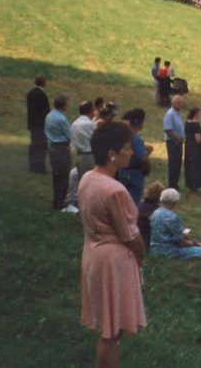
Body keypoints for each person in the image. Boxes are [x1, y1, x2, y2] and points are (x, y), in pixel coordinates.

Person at [78, 120, 147, 367]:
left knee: (108, 328)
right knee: (111, 332)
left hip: (93, 252)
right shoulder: (115, 190)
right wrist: (141, 254)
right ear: (112, 154)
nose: (131, 152)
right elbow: (130, 235)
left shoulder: (87, 178)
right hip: (113, 262)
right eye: (127, 148)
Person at [149, 189, 201, 259]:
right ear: (174, 202)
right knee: (198, 251)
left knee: (190, 240)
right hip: (168, 250)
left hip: (154, 248)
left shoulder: (155, 212)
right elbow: (180, 242)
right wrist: (191, 243)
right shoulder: (172, 217)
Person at [44, 94, 73, 210]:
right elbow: (69, 135)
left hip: (52, 147)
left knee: (56, 176)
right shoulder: (62, 118)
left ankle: (56, 201)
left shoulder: (49, 115)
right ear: (63, 105)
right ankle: (60, 203)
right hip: (61, 148)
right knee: (64, 176)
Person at [117, 109, 152, 204]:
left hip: (122, 171)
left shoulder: (123, 136)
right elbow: (143, 158)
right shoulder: (136, 139)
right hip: (134, 173)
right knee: (133, 202)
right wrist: (147, 169)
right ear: (139, 122)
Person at [26, 74, 50, 174]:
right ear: (43, 83)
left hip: (32, 124)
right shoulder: (42, 95)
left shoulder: (30, 93)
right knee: (41, 146)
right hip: (40, 125)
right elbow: (45, 111)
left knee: (34, 145)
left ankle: (32, 166)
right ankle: (40, 168)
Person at [162, 95, 186, 191]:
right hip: (173, 142)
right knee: (173, 163)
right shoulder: (170, 114)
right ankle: (172, 184)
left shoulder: (177, 114)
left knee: (177, 163)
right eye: (178, 103)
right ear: (173, 103)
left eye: (181, 103)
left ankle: (175, 183)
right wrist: (177, 139)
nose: (180, 105)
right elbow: (168, 129)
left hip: (178, 143)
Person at [183, 107, 201, 192]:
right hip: (195, 148)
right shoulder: (196, 125)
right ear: (196, 113)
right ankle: (195, 185)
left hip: (188, 146)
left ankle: (189, 184)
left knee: (189, 165)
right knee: (196, 166)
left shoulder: (187, 123)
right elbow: (198, 139)